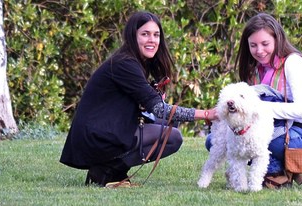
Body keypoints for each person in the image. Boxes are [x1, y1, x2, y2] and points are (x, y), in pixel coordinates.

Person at [60, 11, 216, 188]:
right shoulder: (125, 63)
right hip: (97, 136)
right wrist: (207, 114)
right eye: (145, 34)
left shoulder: (135, 61)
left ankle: (112, 169)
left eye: (156, 35)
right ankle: (106, 170)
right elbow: (159, 109)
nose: (152, 40)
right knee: (173, 137)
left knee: (172, 123)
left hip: (108, 127)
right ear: (132, 36)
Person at [206, 13, 302, 189]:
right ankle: (277, 171)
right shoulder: (255, 69)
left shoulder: (293, 63)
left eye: (265, 44)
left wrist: (259, 107)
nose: (259, 50)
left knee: (260, 141)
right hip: (274, 128)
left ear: (278, 40)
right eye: (253, 45)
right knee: (216, 140)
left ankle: (277, 171)